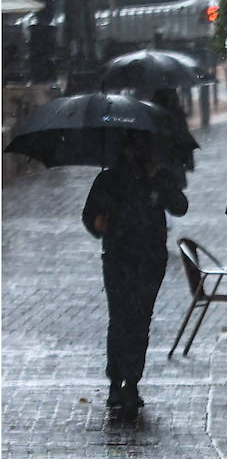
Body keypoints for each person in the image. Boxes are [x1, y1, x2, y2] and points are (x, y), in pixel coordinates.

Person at [83, 137, 189, 415]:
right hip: (119, 257)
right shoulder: (109, 180)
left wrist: (160, 181)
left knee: (139, 319)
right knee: (121, 318)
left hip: (150, 259)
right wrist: (98, 223)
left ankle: (131, 381)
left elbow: (180, 205)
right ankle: (117, 381)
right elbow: (90, 215)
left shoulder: (158, 176)